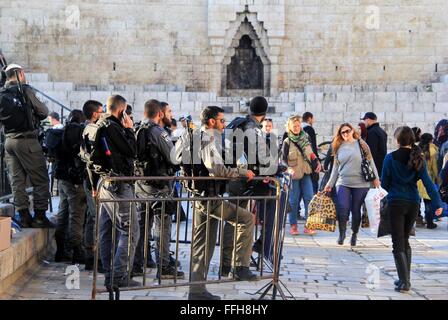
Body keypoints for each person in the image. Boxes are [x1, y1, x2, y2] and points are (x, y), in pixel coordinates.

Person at [176, 106, 257, 300]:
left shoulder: (196, 136)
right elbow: (216, 169)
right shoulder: (206, 139)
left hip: (202, 196)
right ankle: (239, 267)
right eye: (221, 120)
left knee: (204, 245)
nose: (223, 124)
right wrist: (241, 172)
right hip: (208, 198)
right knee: (246, 218)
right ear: (211, 121)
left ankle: (197, 291)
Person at [381, 126, 443, 292]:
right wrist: (438, 204)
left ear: (397, 140)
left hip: (396, 202)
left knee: (397, 242)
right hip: (414, 203)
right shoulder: (418, 157)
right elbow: (429, 183)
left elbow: (384, 184)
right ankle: (404, 279)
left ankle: (405, 282)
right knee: (405, 240)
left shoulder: (390, 158)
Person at [224, 96, 276, 275]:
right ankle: (238, 265)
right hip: (245, 179)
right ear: (264, 112)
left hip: (232, 176)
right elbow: (263, 155)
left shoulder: (238, 123)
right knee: (242, 221)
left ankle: (226, 263)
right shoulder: (252, 128)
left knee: (232, 220)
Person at [134, 99, 184, 280]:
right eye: (169, 112)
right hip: (159, 188)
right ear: (160, 114)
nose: (171, 115)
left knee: (141, 226)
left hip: (141, 185)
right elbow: (174, 158)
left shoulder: (138, 128)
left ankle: (137, 264)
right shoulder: (158, 131)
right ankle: (163, 266)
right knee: (162, 228)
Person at [0, 64, 53, 228]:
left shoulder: (2, 93)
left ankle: (23, 216)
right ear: (20, 74)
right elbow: (43, 111)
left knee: (17, 181)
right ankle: (39, 216)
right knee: (41, 179)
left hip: (9, 141)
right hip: (27, 141)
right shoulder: (25, 90)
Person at [96, 95, 140, 289]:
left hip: (105, 183)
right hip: (119, 185)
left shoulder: (99, 124)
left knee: (106, 231)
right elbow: (132, 151)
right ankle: (119, 277)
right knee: (130, 231)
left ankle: (109, 275)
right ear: (122, 110)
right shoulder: (114, 128)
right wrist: (130, 130)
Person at [324, 123, 380, 246]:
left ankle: (354, 234)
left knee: (356, 210)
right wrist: (329, 184)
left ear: (352, 130)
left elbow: (371, 162)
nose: (345, 134)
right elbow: (335, 167)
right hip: (343, 182)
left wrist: (376, 178)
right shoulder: (338, 146)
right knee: (342, 207)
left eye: (347, 131)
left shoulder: (361, 144)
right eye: (342, 132)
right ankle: (342, 233)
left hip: (361, 183)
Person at [53, 109, 87, 264]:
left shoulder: (62, 130)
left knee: (63, 212)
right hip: (74, 180)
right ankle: (76, 251)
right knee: (77, 216)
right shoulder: (77, 131)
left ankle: (61, 250)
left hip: (62, 178)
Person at [282, 115, 321, 235]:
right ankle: (293, 225)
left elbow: (311, 153)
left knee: (309, 197)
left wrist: (317, 161)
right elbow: (283, 159)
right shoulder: (287, 141)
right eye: (294, 126)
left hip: (306, 172)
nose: (297, 128)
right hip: (293, 175)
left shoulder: (306, 138)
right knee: (293, 200)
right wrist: (287, 168)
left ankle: (308, 225)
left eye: (298, 125)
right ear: (289, 127)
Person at [80, 100, 104, 271]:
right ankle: (94, 257)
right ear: (94, 114)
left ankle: (91, 255)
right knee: (96, 218)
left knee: (92, 217)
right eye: (100, 112)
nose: (102, 114)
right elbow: (91, 160)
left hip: (89, 180)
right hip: (91, 180)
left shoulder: (85, 129)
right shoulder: (91, 131)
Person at [417, 133, 440, 229]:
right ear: (431, 140)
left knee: (417, 200)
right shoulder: (433, 150)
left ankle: (417, 219)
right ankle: (429, 221)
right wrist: (438, 178)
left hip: (416, 179)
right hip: (428, 178)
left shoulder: (417, 149)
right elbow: (434, 167)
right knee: (428, 201)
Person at [302, 112, 319, 194]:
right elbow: (313, 148)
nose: (313, 120)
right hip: (310, 159)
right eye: (312, 119)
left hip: (300, 160)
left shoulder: (300, 128)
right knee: (314, 181)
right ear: (309, 119)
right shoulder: (309, 128)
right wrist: (317, 160)